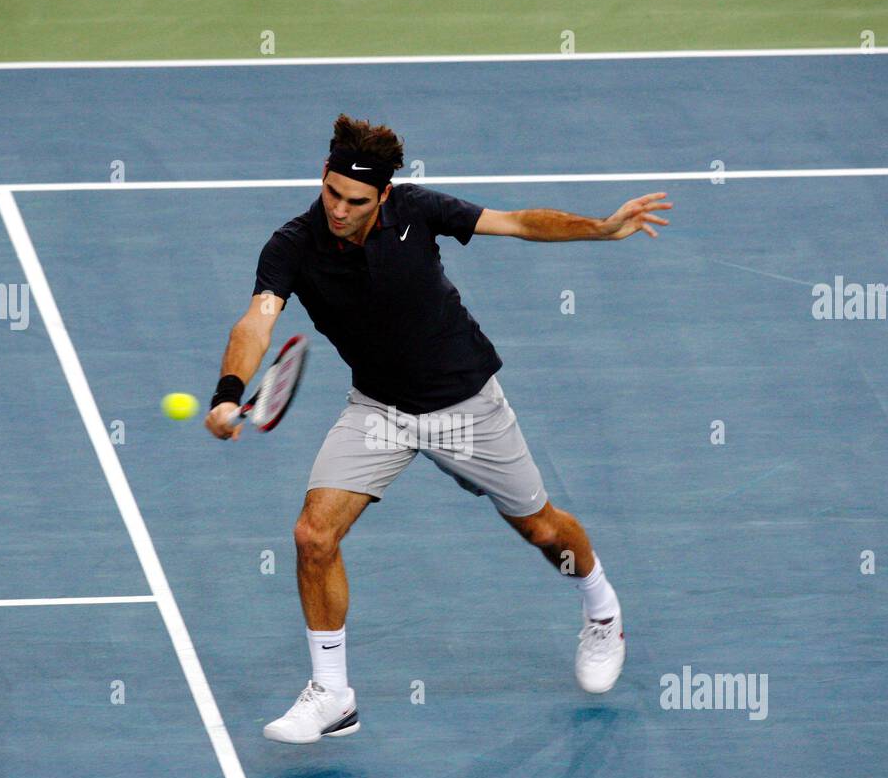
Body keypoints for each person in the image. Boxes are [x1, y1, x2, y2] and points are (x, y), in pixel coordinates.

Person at [205, 114, 671, 743]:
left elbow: (515, 222)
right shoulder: (290, 246)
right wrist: (229, 394)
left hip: (465, 408)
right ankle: (333, 695)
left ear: (385, 197)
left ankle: (602, 610)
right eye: (332, 193)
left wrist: (600, 228)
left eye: (357, 201)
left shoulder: (419, 212)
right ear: (323, 177)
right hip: (380, 412)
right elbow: (256, 324)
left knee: (541, 528)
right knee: (313, 535)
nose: (339, 210)